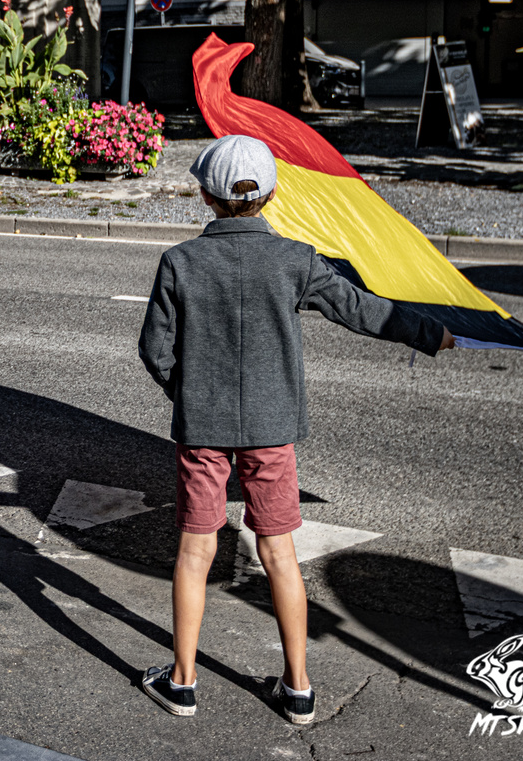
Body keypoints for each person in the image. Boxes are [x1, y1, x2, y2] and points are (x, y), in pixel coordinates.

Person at [136, 135, 454, 725]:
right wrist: (429, 333)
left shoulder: (180, 262)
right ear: (272, 194)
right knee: (279, 552)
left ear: (205, 195)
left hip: (202, 430)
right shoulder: (296, 261)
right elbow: (361, 309)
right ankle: (299, 688)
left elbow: (154, 349)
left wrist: (190, 393)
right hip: (273, 428)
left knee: (195, 550)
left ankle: (182, 682)